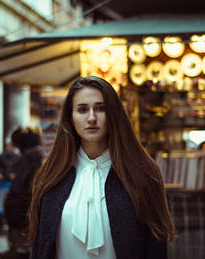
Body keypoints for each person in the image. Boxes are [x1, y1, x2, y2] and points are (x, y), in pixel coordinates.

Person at [28, 76, 175, 259]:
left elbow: (156, 248)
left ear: (113, 114)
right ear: (71, 118)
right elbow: (39, 247)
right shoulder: (51, 176)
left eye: (101, 108)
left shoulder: (142, 174)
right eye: (82, 110)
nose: (91, 118)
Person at [4, 128, 43, 259]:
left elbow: (22, 190)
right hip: (22, 214)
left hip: (21, 215)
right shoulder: (30, 159)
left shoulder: (29, 159)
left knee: (22, 250)